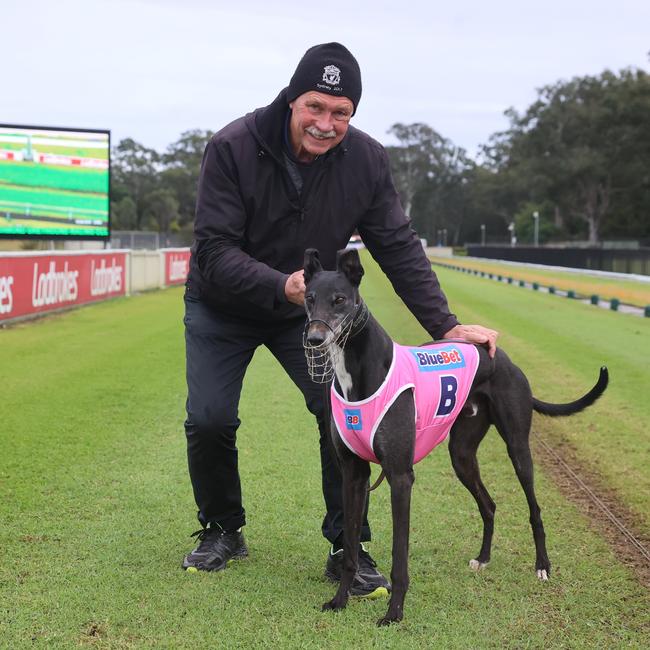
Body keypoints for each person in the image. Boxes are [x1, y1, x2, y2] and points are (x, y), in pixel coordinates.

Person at [182, 42, 498, 597]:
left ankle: (347, 547)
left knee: (344, 413)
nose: (326, 124)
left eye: (341, 113)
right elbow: (212, 249)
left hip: (310, 315)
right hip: (224, 304)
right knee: (210, 418)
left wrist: (445, 327)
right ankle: (222, 529)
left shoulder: (367, 160)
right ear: (291, 99)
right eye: (315, 107)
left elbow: (397, 245)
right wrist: (280, 284)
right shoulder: (231, 146)